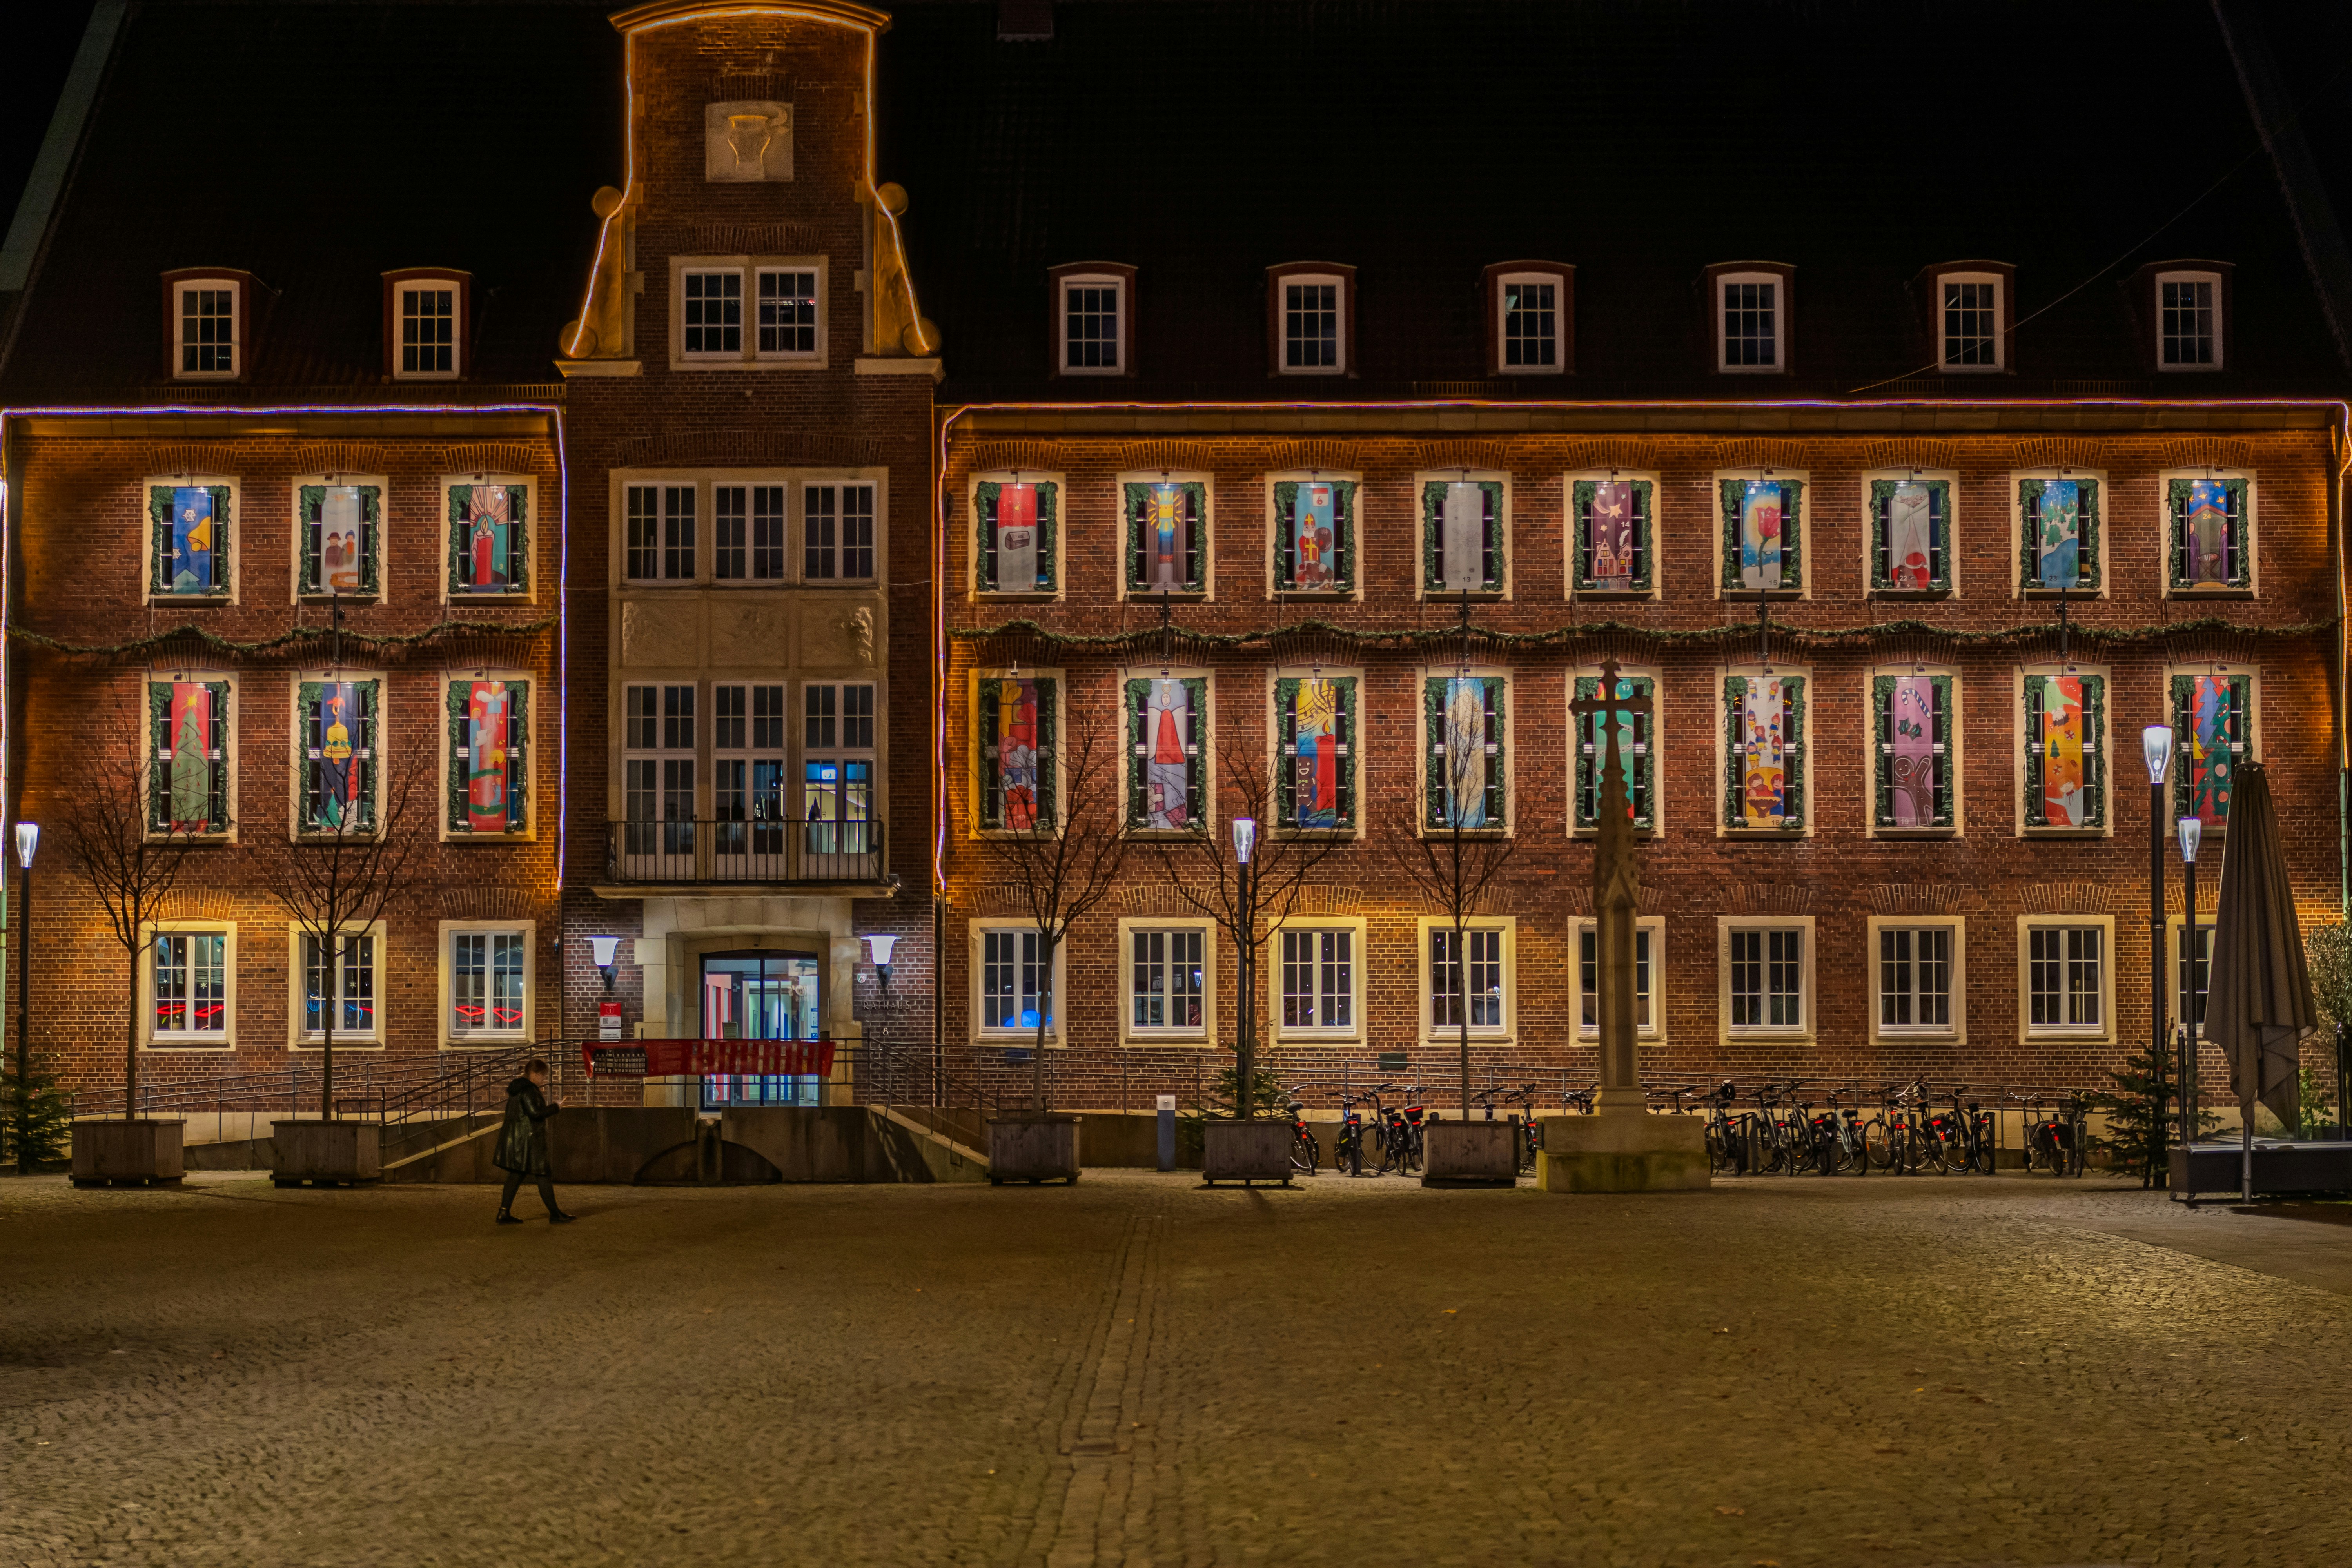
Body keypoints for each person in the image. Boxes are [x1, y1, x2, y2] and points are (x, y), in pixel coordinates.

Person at [493, 1058, 575, 1224]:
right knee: (542, 1174)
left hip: (517, 1140)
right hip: (529, 1141)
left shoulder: (518, 1089)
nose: (544, 1080)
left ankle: (504, 1212)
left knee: (516, 1175)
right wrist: (556, 1107)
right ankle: (555, 1214)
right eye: (543, 1076)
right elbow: (535, 1113)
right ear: (534, 1074)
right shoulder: (529, 1090)